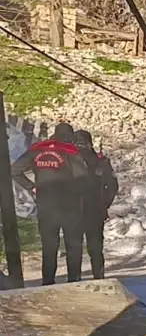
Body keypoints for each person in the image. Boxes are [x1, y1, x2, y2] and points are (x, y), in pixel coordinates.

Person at [10, 122, 88, 285]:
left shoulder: (36, 149)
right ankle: (74, 281)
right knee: (73, 245)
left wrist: (32, 187)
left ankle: (48, 282)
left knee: (49, 246)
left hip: (45, 206)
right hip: (69, 206)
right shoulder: (71, 151)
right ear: (69, 136)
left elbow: (15, 170)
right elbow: (83, 178)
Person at [73, 130, 118, 279]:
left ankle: (98, 277)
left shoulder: (101, 162)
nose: (81, 147)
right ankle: (75, 279)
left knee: (95, 248)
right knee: (75, 249)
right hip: (75, 211)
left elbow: (112, 186)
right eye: (78, 144)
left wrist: (104, 204)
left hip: (94, 210)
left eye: (83, 144)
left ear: (90, 144)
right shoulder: (69, 160)